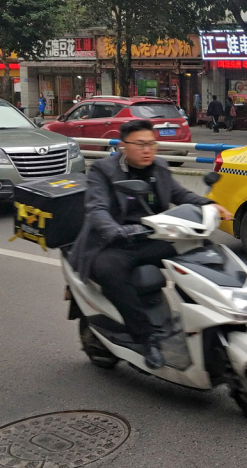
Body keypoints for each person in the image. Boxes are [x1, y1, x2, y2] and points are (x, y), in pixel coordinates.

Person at [69, 119, 233, 369]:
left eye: (152, 144)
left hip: (151, 235)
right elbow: (96, 209)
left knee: (201, 251)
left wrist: (208, 205)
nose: (147, 150)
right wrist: (115, 230)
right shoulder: (103, 170)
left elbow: (179, 194)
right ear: (124, 145)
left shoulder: (159, 166)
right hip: (111, 243)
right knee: (111, 273)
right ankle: (146, 339)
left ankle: (212, 316)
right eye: (140, 144)